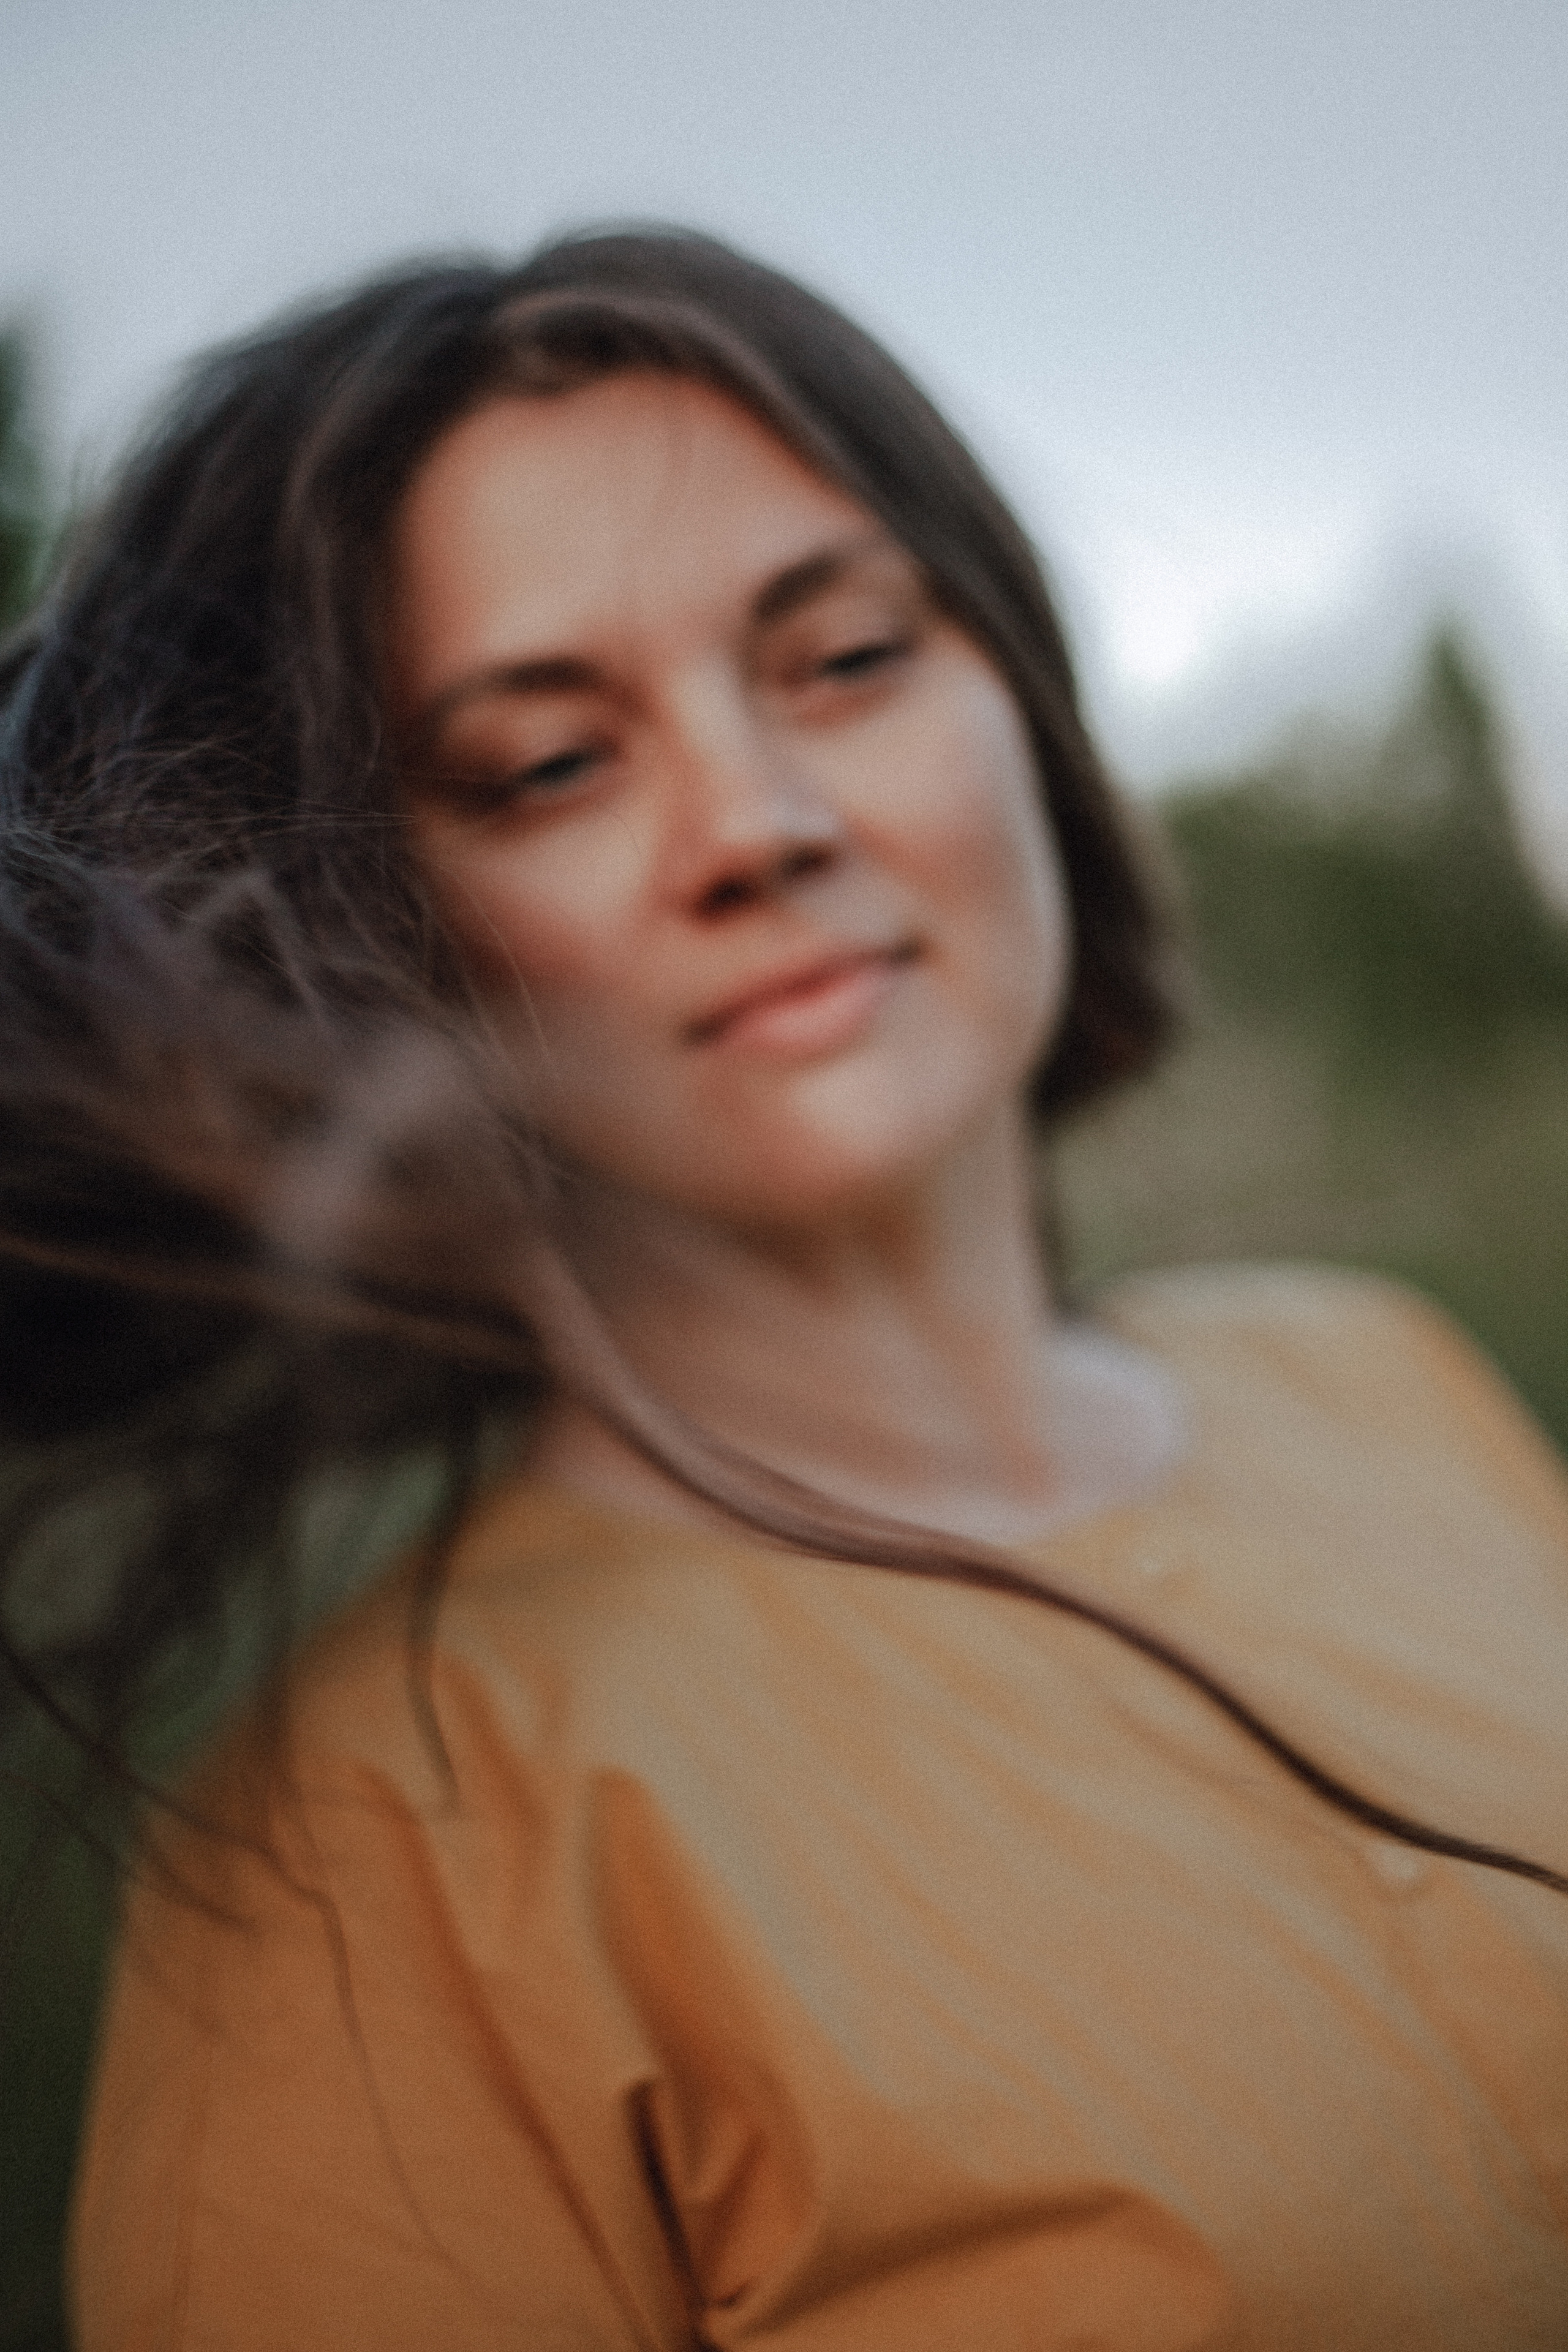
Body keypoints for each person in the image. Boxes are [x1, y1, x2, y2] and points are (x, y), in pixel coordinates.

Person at [2, 228, 1567, 2351]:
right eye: (549, 764)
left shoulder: (1380, 1371)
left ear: (1020, 696)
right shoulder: (373, 1849)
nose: (757, 820)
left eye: (841, 658)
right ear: (375, 946)